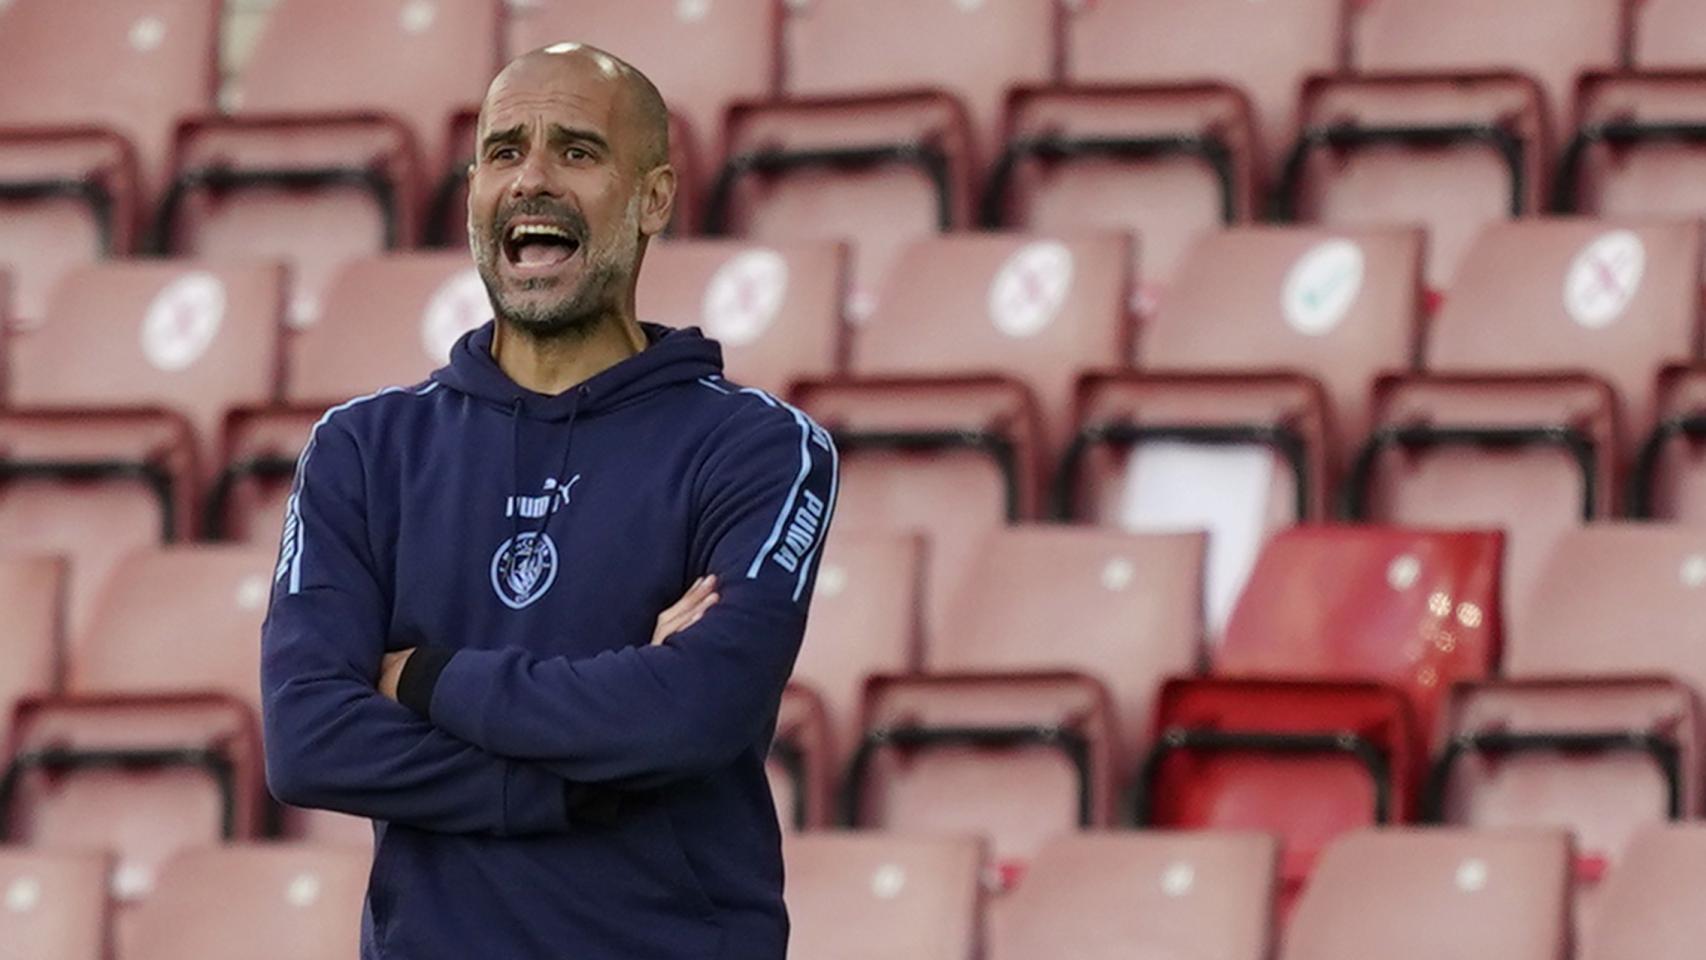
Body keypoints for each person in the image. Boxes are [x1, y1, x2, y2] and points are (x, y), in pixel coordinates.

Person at [260, 43, 837, 960]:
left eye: (576, 151)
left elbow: (690, 714)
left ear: (653, 198)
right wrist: (576, 783)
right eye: (502, 151)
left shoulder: (759, 447)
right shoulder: (362, 450)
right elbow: (310, 739)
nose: (531, 178)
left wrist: (424, 677)